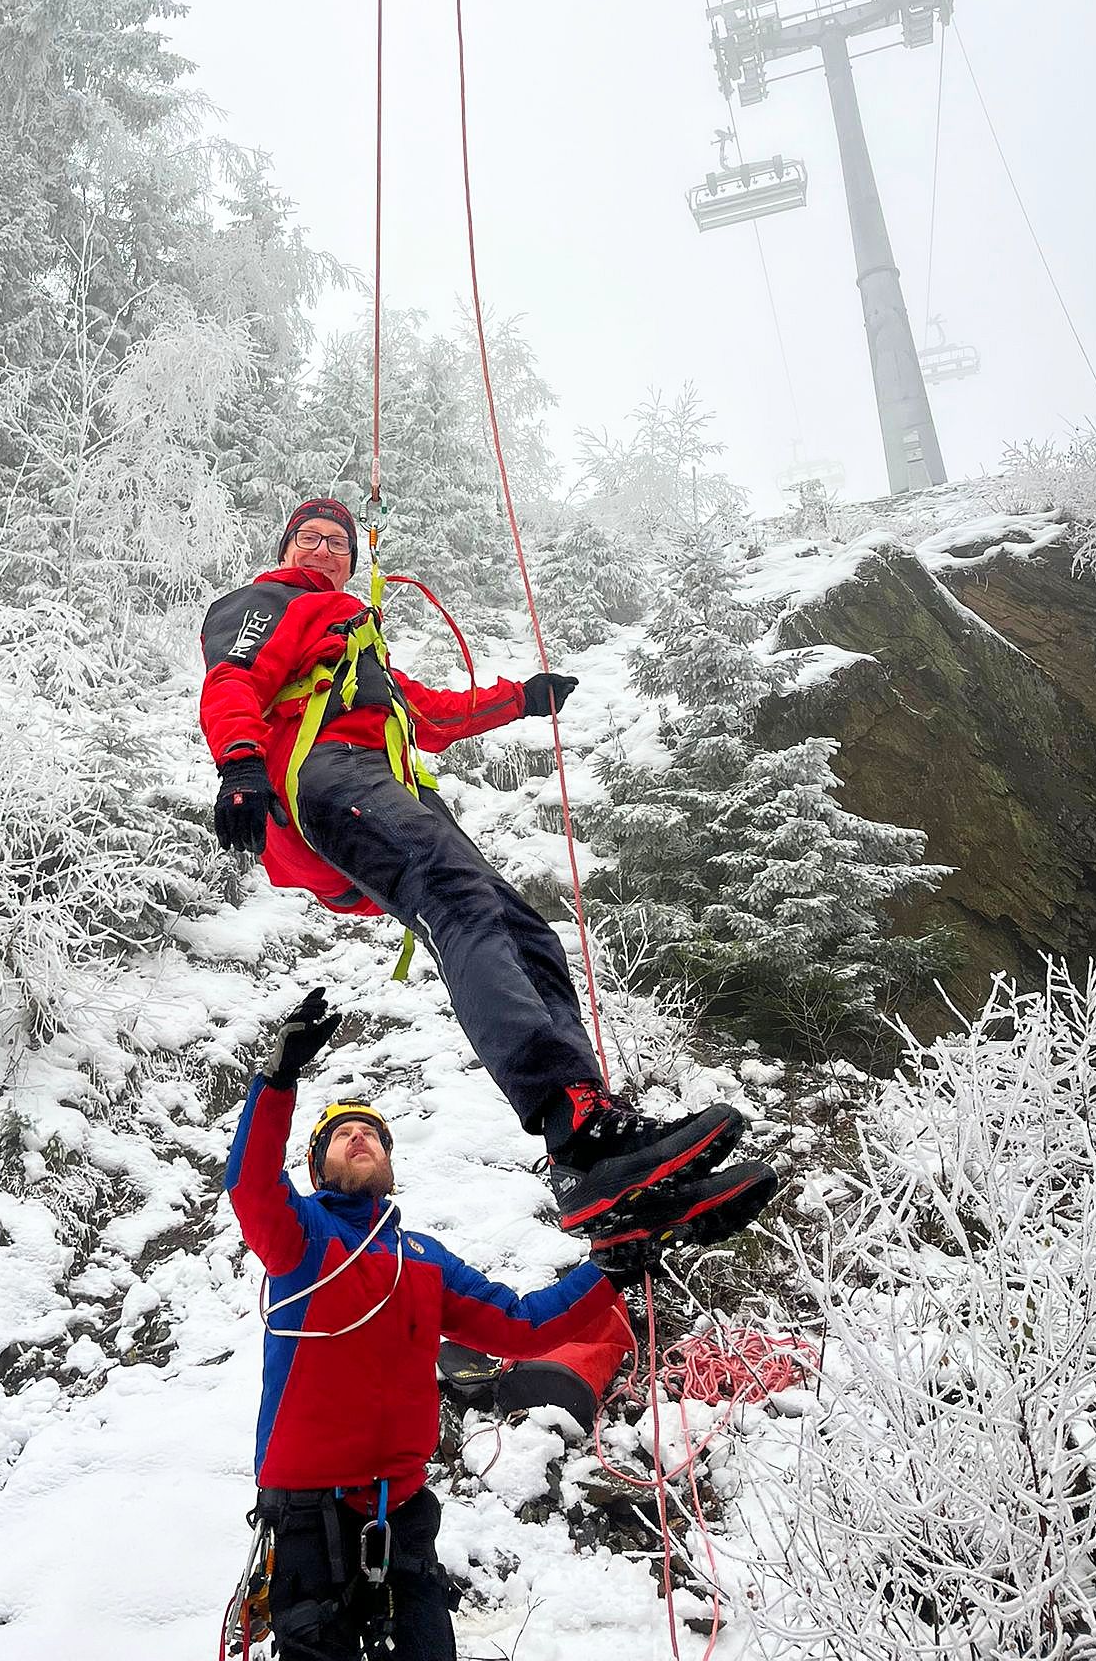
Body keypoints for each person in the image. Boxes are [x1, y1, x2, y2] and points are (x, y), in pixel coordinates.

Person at [200, 496, 747, 1233]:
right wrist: (238, 765)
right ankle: (567, 1112)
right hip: (329, 776)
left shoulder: (359, 647)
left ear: (353, 566)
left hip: (387, 789)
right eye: (309, 537)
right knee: (458, 902)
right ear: (286, 548)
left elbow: (430, 716)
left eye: (337, 543)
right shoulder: (271, 602)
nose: (323, 549)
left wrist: (521, 700)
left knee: (528, 937)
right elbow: (235, 678)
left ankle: (585, 1153)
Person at [228, 990, 776, 1660]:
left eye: (372, 1130)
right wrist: (277, 1081)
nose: (360, 1135)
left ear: (391, 1163)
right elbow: (251, 1187)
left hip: (400, 1514)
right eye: (343, 1133)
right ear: (319, 1168)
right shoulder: (301, 1240)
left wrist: (611, 1270)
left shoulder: (421, 1259)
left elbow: (522, 1327)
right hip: (309, 1518)